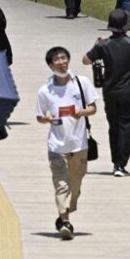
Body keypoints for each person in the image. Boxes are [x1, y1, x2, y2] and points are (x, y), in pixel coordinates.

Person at [82, 9, 130, 177]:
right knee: (126, 128)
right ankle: (120, 164)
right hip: (129, 92)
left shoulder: (103, 45)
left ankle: (115, 161)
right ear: (126, 26)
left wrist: (96, 44)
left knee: (113, 127)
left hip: (110, 93)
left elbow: (85, 60)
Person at [37, 46, 97, 240]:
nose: (61, 62)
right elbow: (39, 116)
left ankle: (65, 213)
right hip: (57, 146)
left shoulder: (81, 82)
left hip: (79, 144)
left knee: (75, 187)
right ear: (50, 65)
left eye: (64, 58)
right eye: (57, 60)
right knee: (61, 184)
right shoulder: (45, 91)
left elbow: (93, 108)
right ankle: (65, 222)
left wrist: (82, 112)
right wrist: (46, 118)